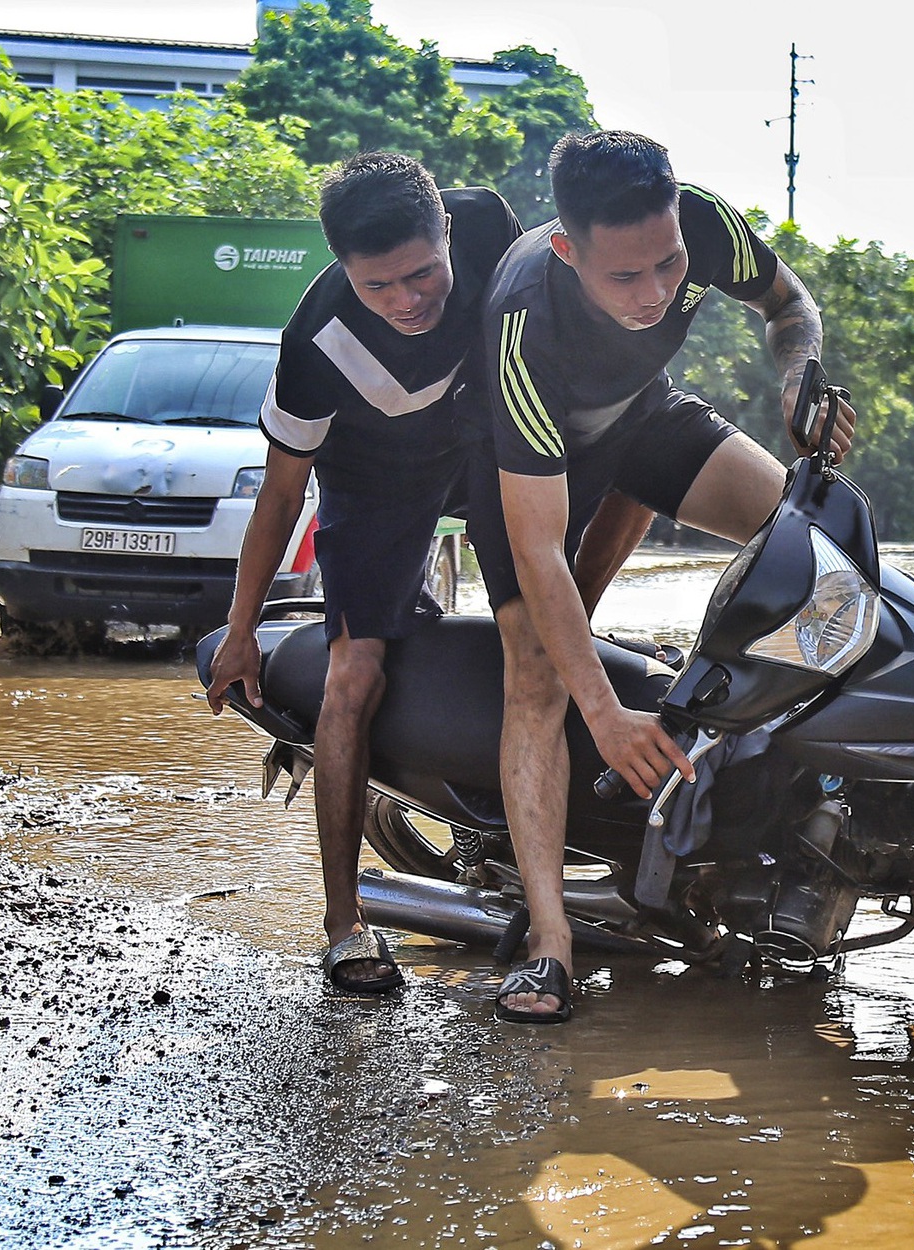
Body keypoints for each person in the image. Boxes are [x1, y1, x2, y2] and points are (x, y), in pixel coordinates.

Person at [469, 130, 856, 1023]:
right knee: (535, 675)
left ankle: (817, 802)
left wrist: (800, 376)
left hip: (643, 417)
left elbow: (789, 302)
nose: (655, 295)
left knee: (810, 543)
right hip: (533, 460)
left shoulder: (705, 223)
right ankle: (549, 945)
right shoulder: (524, 323)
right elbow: (538, 552)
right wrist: (603, 715)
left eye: (669, 266)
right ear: (569, 253)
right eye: (624, 279)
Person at [202, 152, 519, 994]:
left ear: (448, 230)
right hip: (374, 486)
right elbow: (280, 495)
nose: (408, 302)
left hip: (480, 446)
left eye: (423, 274)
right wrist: (240, 632)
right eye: (379, 287)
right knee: (355, 676)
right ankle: (346, 925)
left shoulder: (489, 226)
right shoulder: (314, 342)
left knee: (544, 630)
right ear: (344, 270)